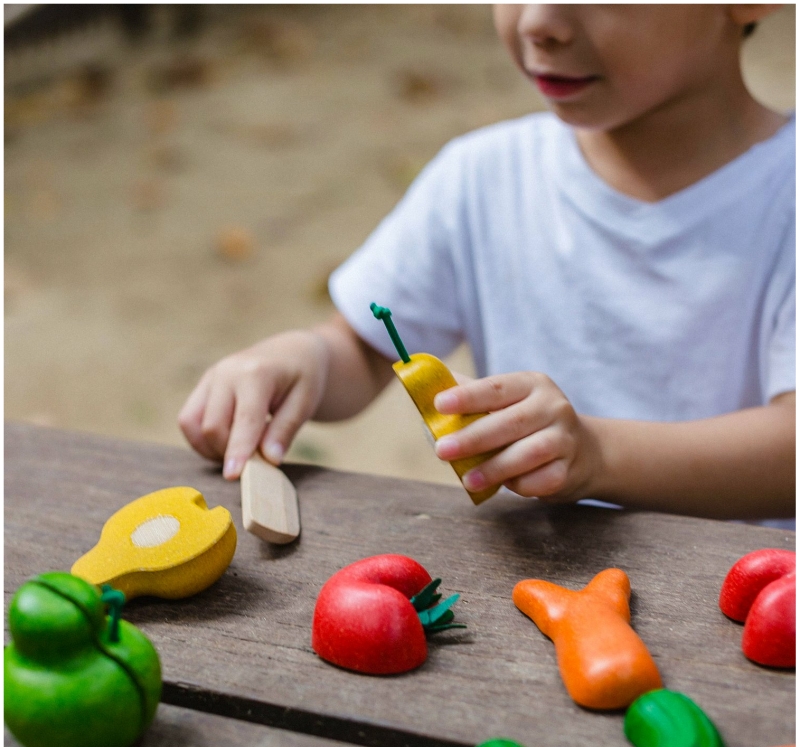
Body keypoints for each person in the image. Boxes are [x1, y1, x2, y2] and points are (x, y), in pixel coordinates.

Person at [179, 4, 795, 526]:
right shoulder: (482, 176)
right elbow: (365, 351)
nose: (538, 23)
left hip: (745, 613)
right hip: (532, 590)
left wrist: (601, 455)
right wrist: (302, 359)